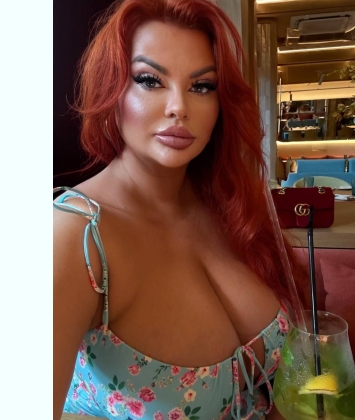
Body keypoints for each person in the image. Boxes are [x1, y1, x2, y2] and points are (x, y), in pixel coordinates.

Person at [53, 1, 306, 419]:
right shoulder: (74, 236)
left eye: (202, 86)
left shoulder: (230, 204)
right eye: (150, 80)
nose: (179, 107)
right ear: (111, 90)